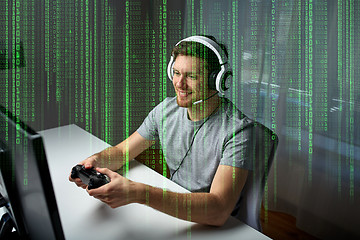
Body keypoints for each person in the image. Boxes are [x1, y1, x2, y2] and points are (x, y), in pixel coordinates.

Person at [69, 35, 255, 226]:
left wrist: (140, 193)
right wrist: (95, 161)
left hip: (210, 224)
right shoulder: (166, 110)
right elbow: (123, 152)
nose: (179, 84)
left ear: (217, 81)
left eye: (191, 76)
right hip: (173, 209)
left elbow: (218, 209)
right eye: (176, 72)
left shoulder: (238, 131)